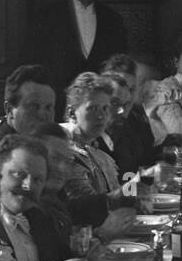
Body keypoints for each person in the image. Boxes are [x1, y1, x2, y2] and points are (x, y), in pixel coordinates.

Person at [24, 0, 128, 112]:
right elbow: (32, 62)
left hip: (99, 107)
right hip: (57, 104)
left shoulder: (113, 20)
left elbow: (119, 66)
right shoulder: (48, 16)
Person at [59, 72, 139, 238]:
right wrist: (141, 181)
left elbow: (120, 191)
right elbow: (92, 206)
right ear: (72, 112)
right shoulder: (65, 151)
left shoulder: (96, 148)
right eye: (92, 108)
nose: (101, 116)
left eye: (105, 108)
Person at [99, 52, 162, 180]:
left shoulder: (138, 122)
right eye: (121, 88)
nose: (127, 96)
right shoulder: (94, 130)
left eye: (132, 89)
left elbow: (146, 163)